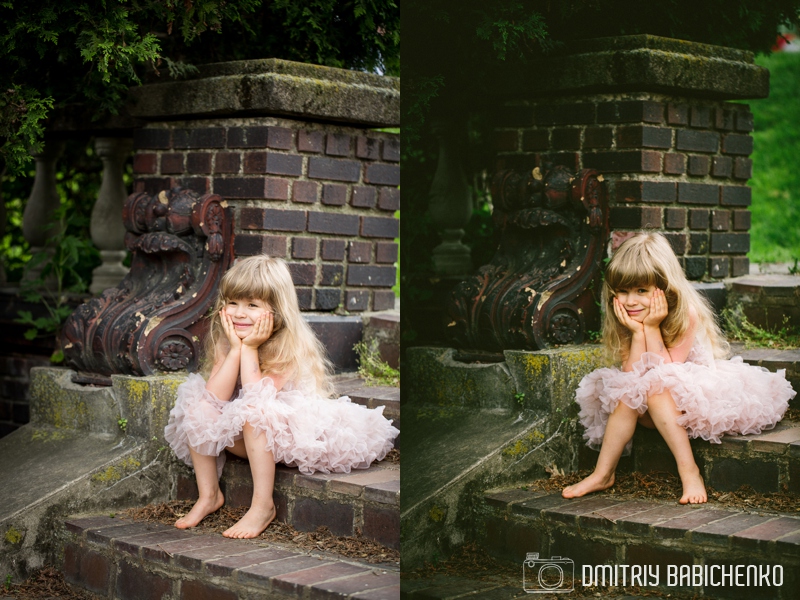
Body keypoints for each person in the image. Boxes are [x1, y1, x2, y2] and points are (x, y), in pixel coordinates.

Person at [164, 255, 399, 538]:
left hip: (293, 437)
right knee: (197, 404)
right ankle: (209, 495)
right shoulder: (227, 336)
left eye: (252, 305)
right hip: (252, 438)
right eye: (233, 302)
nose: (239, 313)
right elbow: (214, 398)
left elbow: (257, 399)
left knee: (255, 415)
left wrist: (250, 348)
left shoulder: (289, 345)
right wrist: (235, 350)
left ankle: (263, 506)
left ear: (276, 310)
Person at [562, 232, 795, 504]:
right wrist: (638, 333)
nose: (630, 301)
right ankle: (603, 473)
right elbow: (630, 375)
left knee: (657, 388)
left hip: (690, 402)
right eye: (623, 291)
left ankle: (690, 471)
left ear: (664, 287)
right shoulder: (626, 315)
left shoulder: (686, 313)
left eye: (641, 290)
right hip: (652, 408)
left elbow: (669, 372)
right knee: (627, 393)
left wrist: (651, 328)